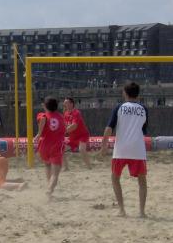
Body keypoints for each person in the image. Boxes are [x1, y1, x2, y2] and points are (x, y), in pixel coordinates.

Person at [101, 82, 148, 218]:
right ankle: (142, 212)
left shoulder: (119, 108)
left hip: (121, 149)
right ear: (138, 94)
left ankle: (122, 210)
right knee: (142, 182)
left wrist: (104, 145)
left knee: (115, 178)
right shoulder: (143, 109)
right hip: (137, 149)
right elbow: (143, 130)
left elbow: (109, 128)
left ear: (124, 93)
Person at [33, 97, 66, 198]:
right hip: (56, 146)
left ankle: (49, 187)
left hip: (44, 146)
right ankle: (49, 189)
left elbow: (43, 119)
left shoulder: (42, 115)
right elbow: (64, 131)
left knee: (47, 166)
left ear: (45, 106)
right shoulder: (61, 118)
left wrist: (39, 134)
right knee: (55, 173)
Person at [62, 97, 92, 169]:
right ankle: (66, 168)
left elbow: (74, 126)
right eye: (64, 103)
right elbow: (65, 126)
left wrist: (64, 131)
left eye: (66, 103)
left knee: (81, 149)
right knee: (60, 149)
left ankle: (89, 167)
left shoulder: (76, 113)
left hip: (82, 135)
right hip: (73, 137)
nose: (64, 104)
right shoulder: (65, 114)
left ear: (71, 104)